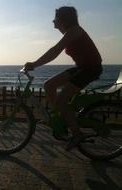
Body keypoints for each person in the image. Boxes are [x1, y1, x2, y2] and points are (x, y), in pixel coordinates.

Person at [24, 6, 102, 151]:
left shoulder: (74, 31)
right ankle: (61, 118)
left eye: (56, 17)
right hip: (82, 67)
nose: (53, 20)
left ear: (63, 19)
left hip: (90, 69)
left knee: (61, 100)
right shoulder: (69, 31)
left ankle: (77, 134)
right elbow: (56, 49)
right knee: (49, 85)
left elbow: (55, 50)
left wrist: (34, 64)